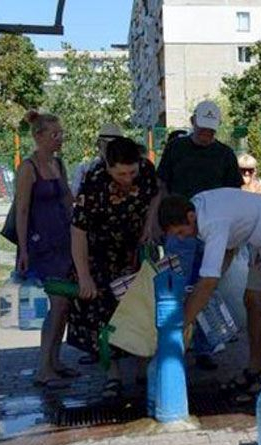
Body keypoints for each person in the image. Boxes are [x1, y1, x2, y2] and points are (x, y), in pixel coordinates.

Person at [158, 189, 261, 401]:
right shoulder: (196, 207)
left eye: (182, 232)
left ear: (190, 217)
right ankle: (254, 369)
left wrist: (182, 324)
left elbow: (208, 280)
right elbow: (226, 250)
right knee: (252, 300)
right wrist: (207, 288)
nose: (183, 238)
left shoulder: (212, 221)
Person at [69, 137, 159, 398]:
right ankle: (113, 375)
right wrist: (84, 276)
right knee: (105, 316)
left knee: (141, 308)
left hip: (134, 253)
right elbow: (78, 231)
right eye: (121, 173)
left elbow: (155, 196)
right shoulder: (94, 180)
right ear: (108, 167)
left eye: (132, 172)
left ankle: (143, 367)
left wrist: (148, 225)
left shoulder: (146, 170)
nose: (128, 178)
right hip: (100, 256)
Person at [156, 100, 242, 370]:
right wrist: (156, 221)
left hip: (212, 232)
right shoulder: (177, 148)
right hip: (179, 230)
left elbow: (234, 195)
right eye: (203, 129)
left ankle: (205, 346)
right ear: (193, 122)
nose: (206, 135)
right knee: (175, 285)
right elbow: (161, 185)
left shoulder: (225, 154)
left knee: (206, 287)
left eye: (211, 131)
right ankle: (174, 343)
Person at [15, 110, 76, 388]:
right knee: (59, 303)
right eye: (55, 134)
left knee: (64, 307)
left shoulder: (59, 164)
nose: (60, 138)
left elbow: (68, 200)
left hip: (64, 242)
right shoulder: (28, 167)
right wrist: (24, 249)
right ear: (38, 136)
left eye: (61, 133)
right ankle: (43, 368)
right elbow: (23, 209)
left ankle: (55, 361)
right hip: (42, 245)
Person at [70, 123, 123, 195]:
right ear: (99, 144)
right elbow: (74, 194)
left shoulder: (128, 169)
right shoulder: (85, 168)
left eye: (114, 145)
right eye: (106, 144)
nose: (110, 149)